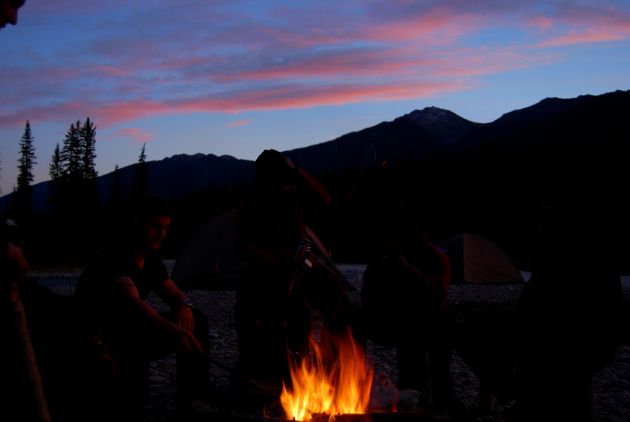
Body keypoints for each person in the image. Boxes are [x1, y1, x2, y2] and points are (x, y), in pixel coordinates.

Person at [74, 193, 210, 421]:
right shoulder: (115, 257)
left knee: (196, 321)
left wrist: (183, 306)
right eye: (156, 226)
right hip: (99, 336)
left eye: (166, 228)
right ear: (137, 223)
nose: (162, 234)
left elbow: (174, 293)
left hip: (129, 329)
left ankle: (193, 399)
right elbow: (134, 306)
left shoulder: (150, 260)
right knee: (129, 393)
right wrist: (173, 330)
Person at [233, 149, 354, 394]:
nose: (281, 180)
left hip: (302, 267)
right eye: (277, 174)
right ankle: (262, 369)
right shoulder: (250, 207)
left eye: (283, 174)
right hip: (266, 273)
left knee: (340, 303)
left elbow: (324, 200)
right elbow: (244, 248)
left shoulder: (293, 198)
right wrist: (277, 262)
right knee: (269, 310)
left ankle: (329, 365)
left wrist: (298, 174)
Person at [508, 206, 624, 421]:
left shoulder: (580, 260)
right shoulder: (562, 260)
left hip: (561, 375)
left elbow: (609, 323)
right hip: (552, 373)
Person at [359, 206, 454, 412]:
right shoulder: (385, 255)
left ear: (424, 231)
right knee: (350, 318)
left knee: (435, 325)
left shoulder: (436, 259)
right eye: (407, 229)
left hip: (420, 322)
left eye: (415, 229)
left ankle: (434, 395)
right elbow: (367, 290)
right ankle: (346, 380)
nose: (410, 235)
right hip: (387, 318)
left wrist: (408, 271)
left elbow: (436, 295)